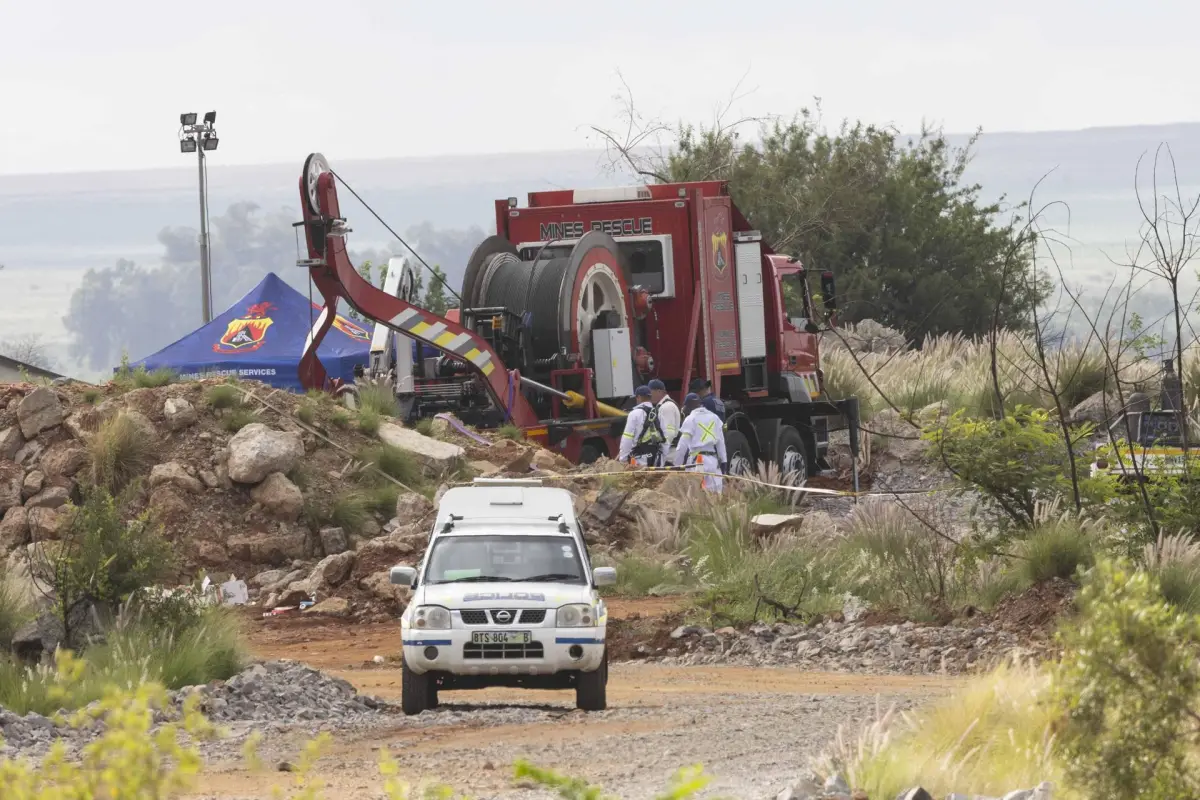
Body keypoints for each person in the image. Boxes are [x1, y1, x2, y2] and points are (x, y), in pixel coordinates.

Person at [673, 393, 728, 493]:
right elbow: (721, 443)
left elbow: (682, 446)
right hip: (713, 462)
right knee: (715, 496)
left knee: (697, 496)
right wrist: (724, 462)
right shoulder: (715, 418)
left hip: (696, 463)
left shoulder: (690, 419)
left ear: (687, 406)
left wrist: (677, 465)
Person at [616, 385, 666, 466]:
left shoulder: (634, 414)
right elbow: (664, 437)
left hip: (639, 459)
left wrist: (623, 459)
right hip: (655, 457)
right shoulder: (658, 413)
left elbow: (627, 438)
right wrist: (662, 459)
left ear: (638, 397)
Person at [648, 379, 680, 465]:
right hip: (669, 453)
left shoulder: (667, 407)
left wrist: (662, 457)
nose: (649, 396)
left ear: (659, 391)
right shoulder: (663, 406)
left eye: (650, 393)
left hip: (669, 455)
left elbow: (668, 434)